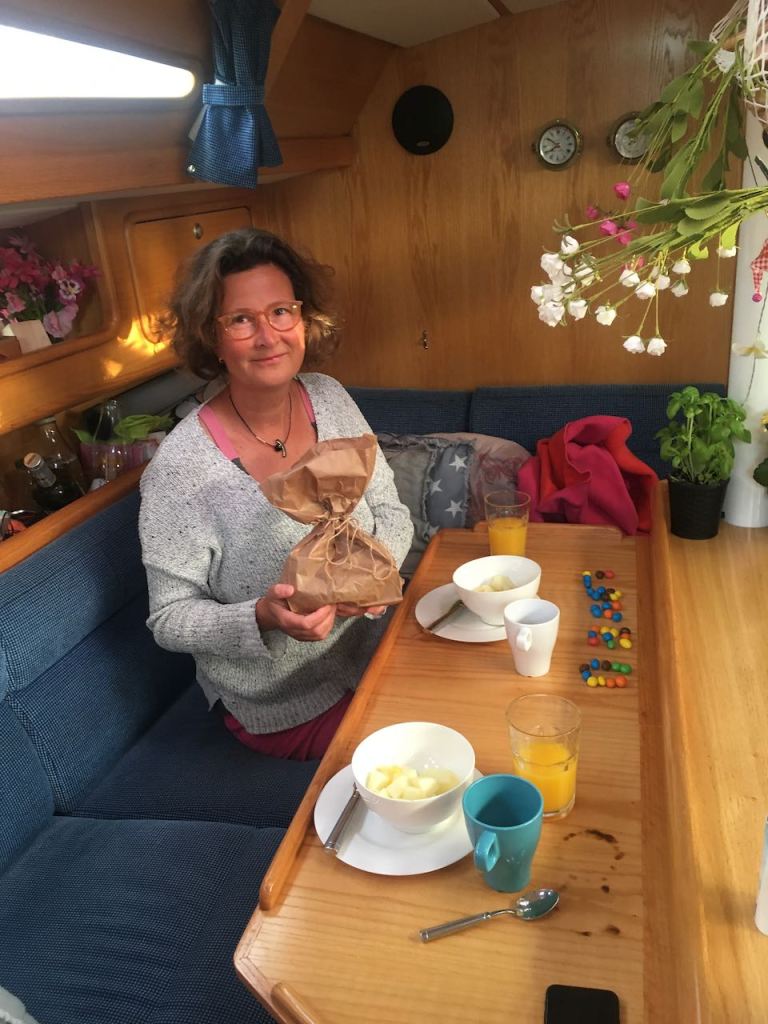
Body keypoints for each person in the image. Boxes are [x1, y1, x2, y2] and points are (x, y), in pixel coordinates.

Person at [139, 228, 413, 760]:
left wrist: (373, 582)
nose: (269, 337)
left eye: (281, 312)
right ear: (212, 337)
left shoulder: (330, 398)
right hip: (286, 703)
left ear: (302, 318)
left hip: (379, 654)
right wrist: (263, 615)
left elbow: (390, 511)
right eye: (241, 320)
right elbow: (169, 618)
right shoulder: (181, 469)